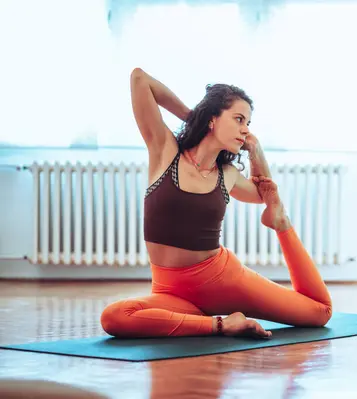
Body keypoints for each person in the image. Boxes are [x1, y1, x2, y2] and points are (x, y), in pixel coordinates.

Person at [100, 68, 333, 339]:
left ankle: (281, 224)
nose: (245, 129)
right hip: (171, 292)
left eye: (247, 122)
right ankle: (221, 324)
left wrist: (256, 151)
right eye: (238, 119)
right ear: (213, 118)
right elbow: (140, 79)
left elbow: (263, 195)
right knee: (114, 317)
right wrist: (193, 117)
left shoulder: (228, 175)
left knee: (319, 312)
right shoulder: (165, 151)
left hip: (224, 281)